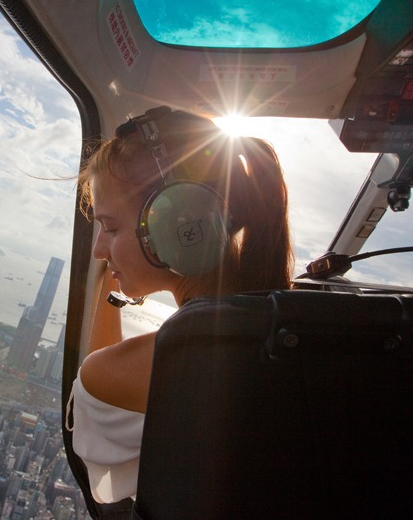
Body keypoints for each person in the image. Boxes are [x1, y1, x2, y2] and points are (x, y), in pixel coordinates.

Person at [67, 106, 293, 504]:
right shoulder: (287, 326)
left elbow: (101, 371)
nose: (100, 249)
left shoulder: (178, 358)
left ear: (180, 224)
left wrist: (107, 280)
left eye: (112, 227)